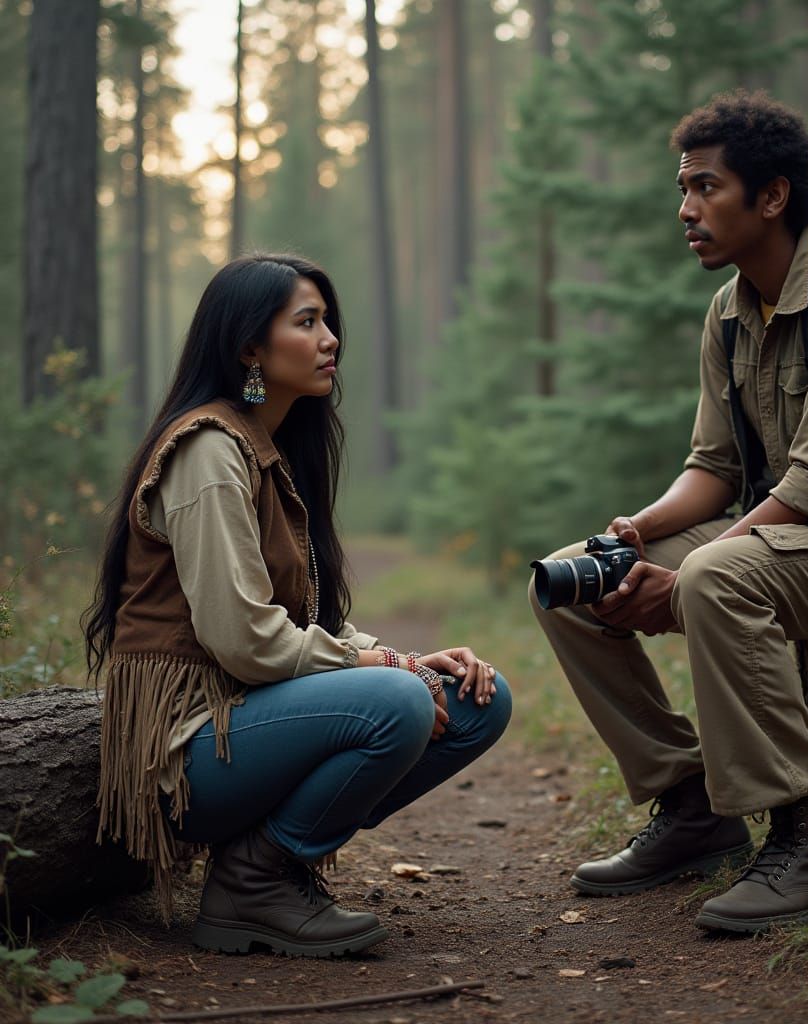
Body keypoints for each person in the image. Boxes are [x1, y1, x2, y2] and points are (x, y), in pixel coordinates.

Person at [529, 91, 808, 933]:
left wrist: (688, 572)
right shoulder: (732, 310)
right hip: (807, 534)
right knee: (572, 581)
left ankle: (804, 838)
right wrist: (641, 532)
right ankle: (691, 805)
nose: (686, 210)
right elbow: (712, 468)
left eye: (706, 188)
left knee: (716, 578)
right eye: (683, 188)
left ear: (771, 197)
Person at [84, 253, 512, 957]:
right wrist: (383, 661)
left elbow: (302, 620)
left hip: (247, 722)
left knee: (476, 702)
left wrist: (406, 656)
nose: (330, 338)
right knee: (400, 700)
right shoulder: (208, 452)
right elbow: (245, 640)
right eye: (306, 322)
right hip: (188, 746)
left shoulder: (268, 451)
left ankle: (268, 860)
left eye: (328, 322)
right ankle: (252, 883)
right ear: (250, 346)